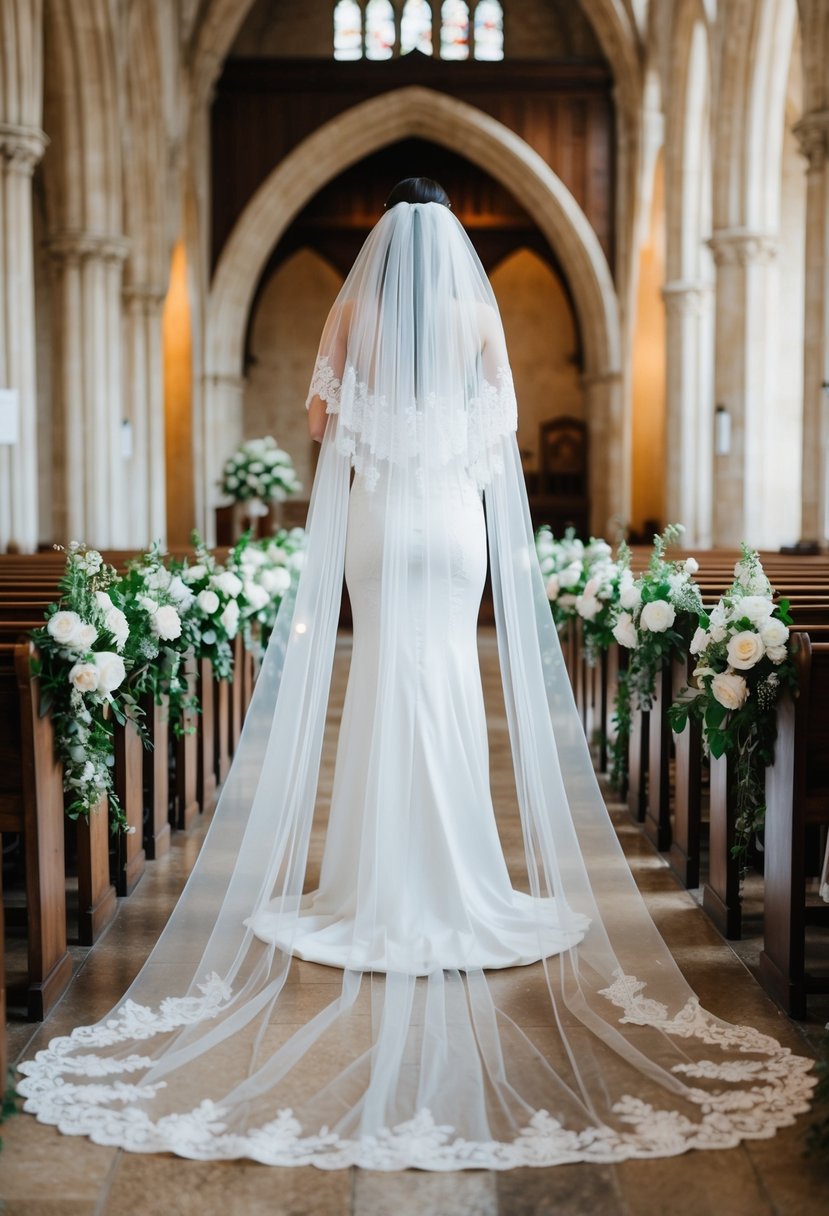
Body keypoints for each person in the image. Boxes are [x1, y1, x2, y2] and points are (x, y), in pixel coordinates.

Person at [19, 178, 814, 1170]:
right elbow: (500, 438)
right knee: (444, 672)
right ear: (449, 240)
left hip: (383, 522)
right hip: (452, 522)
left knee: (386, 676)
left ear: (386, 240)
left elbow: (319, 424)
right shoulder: (479, 313)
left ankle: (372, 880)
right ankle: (460, 875)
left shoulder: (350, 309)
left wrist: (368, 415)